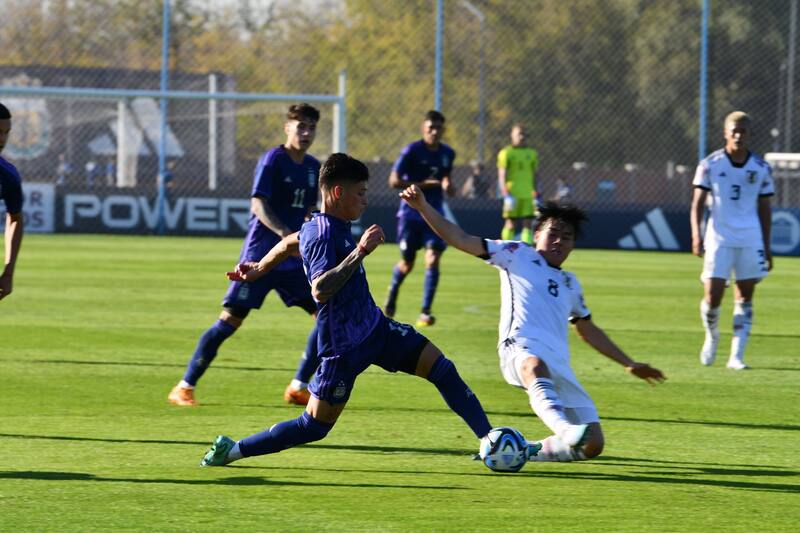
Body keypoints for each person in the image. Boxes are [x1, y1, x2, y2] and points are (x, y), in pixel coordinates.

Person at [200, 153, 494, 467]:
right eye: (361, 193)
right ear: (338, 193)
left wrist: (260, 267)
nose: (366, 200)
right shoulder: (325, 234)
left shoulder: (328, 225)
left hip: (376, 330)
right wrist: (361, 251)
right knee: (313, 426)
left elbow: (289, 243)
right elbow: (320, 289)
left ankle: (491, 441)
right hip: (343, 349)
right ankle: (232, 450)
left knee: (442, 369)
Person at [400, 185, 666, 462]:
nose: (559, 242)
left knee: (593, 445)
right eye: (552, 234)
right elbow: (460, 238)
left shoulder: (570, 283)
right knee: (535, 367)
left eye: (567, 237)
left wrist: (628, 362)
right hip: (520, 347)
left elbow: (587, 328)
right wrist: (423, 207)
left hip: (558, 363)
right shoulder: (516, 253)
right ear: (537, 234)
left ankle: (522, 451)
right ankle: (564, 430)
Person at [168, 103, 323, 407]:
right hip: (259, 259)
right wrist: (282, 234)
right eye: (300, 126)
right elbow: (258, 204)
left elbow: (306, 209)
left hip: (292, 260)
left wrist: (311, 228)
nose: (306, 133)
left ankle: (298, 386)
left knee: (328, 314)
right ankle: (184, 387)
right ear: (287, 127)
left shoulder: (312, 167)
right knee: (229, 321)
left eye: (311, 127)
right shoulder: (272, 160)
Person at [690, 111, 774, 370]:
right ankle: (712, 335)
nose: (738, 135)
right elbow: (698, 203)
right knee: (713, 296)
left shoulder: (760, 168)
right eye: (734, 131)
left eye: (743, 131)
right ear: (726, 133)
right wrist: (696, 234)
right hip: (719, 238)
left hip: (750, 239)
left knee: (744, 296)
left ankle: (736, 355)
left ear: (749, 134)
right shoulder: (710, 164)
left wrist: (767, 245)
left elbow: (765, 207)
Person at [384, 110, 456, 327]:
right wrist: (426, 184)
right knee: (407, 263)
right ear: (423, 128)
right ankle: (393, 292)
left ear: (443, 130)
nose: (434, 131)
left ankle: (425, 311)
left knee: (433, 258)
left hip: (433, 215)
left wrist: (448, 186)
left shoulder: (448, 154)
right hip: (410, 215)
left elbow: (445, 180)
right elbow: (394, 181)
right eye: (430, 127)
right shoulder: (412, 151)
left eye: (438, 128)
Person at [497, 124, 540, 244]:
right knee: (510, 223)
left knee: (528, 224)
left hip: (527, 194)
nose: (521, 137)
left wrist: (536, 194)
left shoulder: (532, 153)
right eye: (518, 134)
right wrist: (506, 195)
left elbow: (535, 175)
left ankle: (526, 251)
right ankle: (505, 249)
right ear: (512, 135)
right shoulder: (506, 153)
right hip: (513, 194)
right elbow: (502, 176)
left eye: (523, 134)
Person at [0, 103, 24, 301]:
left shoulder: (8, 175)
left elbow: (15, 218)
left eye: (6, 132)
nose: (2, 139)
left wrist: (8, 272)